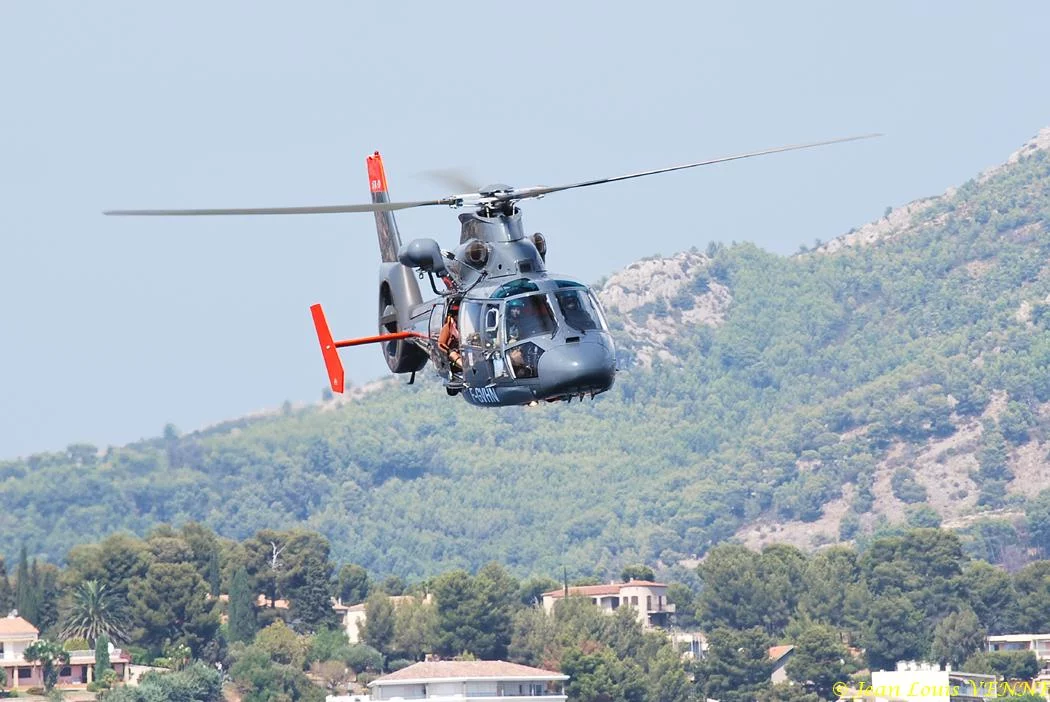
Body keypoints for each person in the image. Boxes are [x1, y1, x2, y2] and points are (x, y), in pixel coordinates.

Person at [438, 304, 462, 374]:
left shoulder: (467, 325)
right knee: (453, 355)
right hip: (454, 355)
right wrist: (450, 351)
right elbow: (441, 344)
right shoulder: (448, 327)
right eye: (457, 314)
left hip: (465, 353)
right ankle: (465, 368)